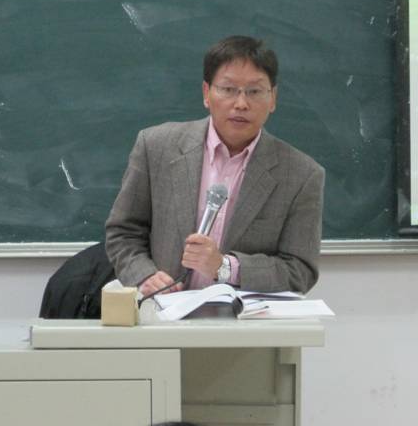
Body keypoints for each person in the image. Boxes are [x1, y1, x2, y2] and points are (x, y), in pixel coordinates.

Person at [105, 36, 324, 296]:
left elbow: (300, 270)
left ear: (273, 99)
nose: (241, 103)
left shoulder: (302, 174)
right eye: (228, 89)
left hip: (242, 318)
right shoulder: (156, 147)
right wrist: (145, 276)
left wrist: (226, 267)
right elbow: (123, 232)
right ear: (206, 93)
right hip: (163, 311)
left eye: (254, 91)